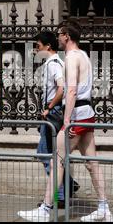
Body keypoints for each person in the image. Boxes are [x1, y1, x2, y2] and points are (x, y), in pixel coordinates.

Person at [18, 19, 113, 222]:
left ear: (67, 36)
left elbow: (70, 90)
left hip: (77, 114)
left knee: (56, 162)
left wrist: (67, 119)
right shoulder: (84, 56)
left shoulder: (70, 57)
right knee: (92, 163)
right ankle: (104, 207)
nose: (58, 38)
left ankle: (45, 209)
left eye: (60, 34)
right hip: (86, 112)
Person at [34, 31, 78, 208]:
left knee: (46, 153)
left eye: (38, 46)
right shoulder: (56, 62)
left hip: (52, 113)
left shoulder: (53, 64)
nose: (36, 50)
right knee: (49, 152)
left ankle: (61, 194)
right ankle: (67, 185)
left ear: (47, 47)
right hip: (53, 112)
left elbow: (61, 89)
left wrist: (49, 107)